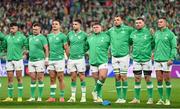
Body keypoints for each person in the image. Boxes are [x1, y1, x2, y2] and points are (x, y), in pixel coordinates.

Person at [106, 15, 134, 103]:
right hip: (114, 57)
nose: (116, 21)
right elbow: (104, 38)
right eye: (115, 20)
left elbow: (135, 35)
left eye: (118, 20)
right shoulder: (110, 30)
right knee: (117, 77)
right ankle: (119, 97)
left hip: (124, 56)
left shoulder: (128, 29)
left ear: (122, 21)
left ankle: (124, 98)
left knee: (123, 77)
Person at [129, 18, 154, 104]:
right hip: (136, 59)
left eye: (140, 23)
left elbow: (154, 43)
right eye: (136, 23)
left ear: (144, 23)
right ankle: (136, 99)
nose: (138, 24)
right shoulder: (133, 33)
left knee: (148, 78)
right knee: (137, 79)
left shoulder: (149, 32)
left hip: (146, 59)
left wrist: (153, 52)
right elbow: (130, 43)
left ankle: (150, 98)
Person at [154, 17, 177, 105]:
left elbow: (174, 47)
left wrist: (171, 58)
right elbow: (154, 45)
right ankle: (161, 99)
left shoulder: (170, 34)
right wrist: (153, 54)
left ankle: (167, 99)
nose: (159, 23)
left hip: (166, 60)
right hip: (157, 60)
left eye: (161, 22)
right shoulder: (156, 33)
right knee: (159, 79)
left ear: (166, 23)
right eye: (158, 22)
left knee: (167, 79)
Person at [2, 23, 28, 102]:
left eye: (13, 28)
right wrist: (5, 54)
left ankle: (19, 96)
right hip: (9, 60)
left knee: (19, 78)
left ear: (17, 28)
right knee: (9, 78)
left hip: (18, 60)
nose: (11, 29)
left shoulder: (22, 37)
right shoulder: (7, 37)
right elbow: (4, 47)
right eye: (11, 28)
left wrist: (24, 54)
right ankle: (10, 97)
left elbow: (27, 46)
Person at [86, 22, 110, 102]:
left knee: (102, 77)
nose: (95, 28)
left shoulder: (106, 37)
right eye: (94, 27)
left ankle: (94, 91)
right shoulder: (89, 38)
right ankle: (99, 98)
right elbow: (85, 48)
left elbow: (113, 44)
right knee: (97, 81)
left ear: (101, 28)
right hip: (93, 62)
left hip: (102, 60)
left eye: (97, 27)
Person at [46, 19, 69, 102]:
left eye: (56, 24)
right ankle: (52, 97)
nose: (54, 25)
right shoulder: (49, 36)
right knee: (52, 78)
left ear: (59, 26)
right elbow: (47, 48)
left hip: (59, 59)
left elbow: (66, 48)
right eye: (53, 24)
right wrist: (47, 58)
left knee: (60, 78)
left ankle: (62, 96)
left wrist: (68, 58)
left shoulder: (63, 36)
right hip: (51, 59)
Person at [26, 22, 49, 102]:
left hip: (40, 60)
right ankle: (32, 97)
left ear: (40, 29)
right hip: (31, 61)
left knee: (40, 78)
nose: (34, 31)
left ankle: (39, 97)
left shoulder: (42, 38)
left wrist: (46, 59)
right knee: (32, 79)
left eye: (36, 29)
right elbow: (28, 48)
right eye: (33, 29)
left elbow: (46, 48)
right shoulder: (30, 37)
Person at [67, 19, 88, 102]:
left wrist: (83, 51)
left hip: (80, 58)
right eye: (73, 24)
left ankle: (83, 96)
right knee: (73, 78)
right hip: (71, 59)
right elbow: (67, 44)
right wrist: (68, 53)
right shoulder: (69, 34)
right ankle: (73, 97)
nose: (74, 26)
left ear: (80, 25)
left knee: (82, 76)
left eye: (75, 24)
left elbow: (88, 45)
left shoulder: (84, 35)